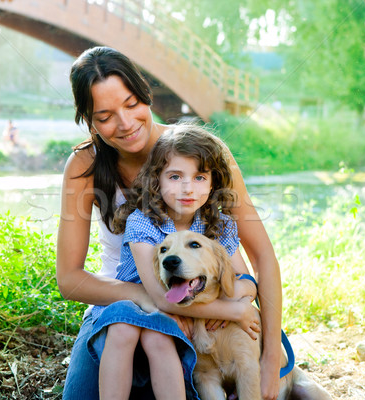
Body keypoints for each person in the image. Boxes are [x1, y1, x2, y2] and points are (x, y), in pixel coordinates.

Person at [57, 46, 283, 400]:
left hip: (198, 304)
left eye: (132, 104)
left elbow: (261, 258)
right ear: (89, 120)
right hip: (123, 303)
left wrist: (271, 359)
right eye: (105, 116)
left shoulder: (200, 153)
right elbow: (69, 280)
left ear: (147, 94)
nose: (126, 123)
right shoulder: (84, 165)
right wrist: (154, 298)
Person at [87, 125, 259, 399]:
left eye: (200, 177)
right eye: (175, 176)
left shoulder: (219, 224)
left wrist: (243, 292)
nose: (187, 188)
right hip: (139, 302)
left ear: (213, 182)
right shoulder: (142, 222)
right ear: (157, 181)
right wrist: (233, 311)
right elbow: (162, 298)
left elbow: (243, 278)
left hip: (177, 313)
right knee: (124, 328)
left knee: (158, 337)